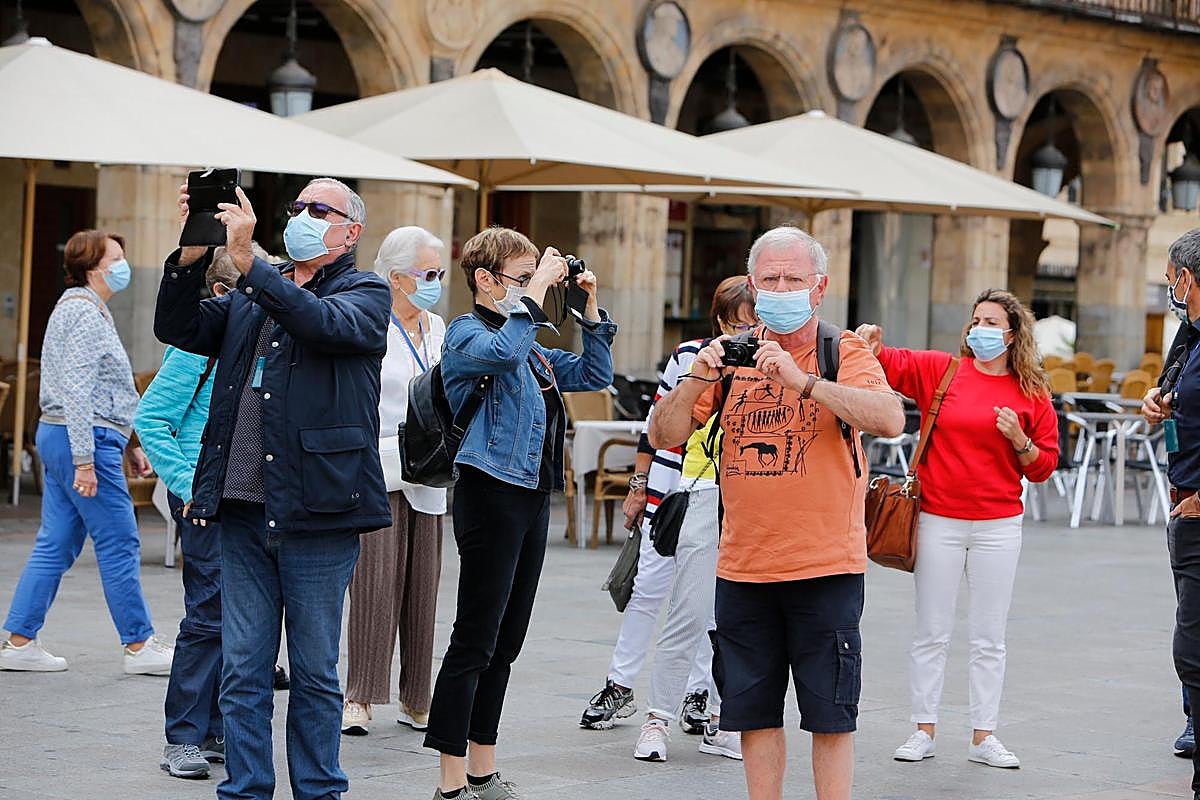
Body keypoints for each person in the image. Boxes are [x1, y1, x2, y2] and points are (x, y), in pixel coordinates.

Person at [155, 178, 391, 800]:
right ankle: (248, 789)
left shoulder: (363, 291)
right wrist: (194, 247)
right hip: (239, 511)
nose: (302, 218)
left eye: (319, 210)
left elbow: (321, 323)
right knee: (242, 669)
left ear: (351, 231)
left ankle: (319, 790)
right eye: (297, 208)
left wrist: (251, 263)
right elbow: (177, 324)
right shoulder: (255, 288)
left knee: (314, 672)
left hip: (318, 511)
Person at [649, 226, 904, 800]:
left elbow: (889, 418)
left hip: (826, 566)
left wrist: (804, 381)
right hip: (743, 567)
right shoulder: (729, 358)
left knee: (830, 713)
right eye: (770, 279)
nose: (781, 288)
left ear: (819, 288)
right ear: (754, 285)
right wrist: (699, 378)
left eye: (794, 279)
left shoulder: (844, 351)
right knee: (752, 714)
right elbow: (665, 432)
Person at [425, 227, 616, 800]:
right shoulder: (466, 334)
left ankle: (483, 765)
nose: (535, 284)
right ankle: (451, 782)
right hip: (489, 492)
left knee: (507, 640)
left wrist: (589, 305)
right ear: (485, 280)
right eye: (520, 275)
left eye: (537, 273)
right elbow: (500, 354)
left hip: (532, 497)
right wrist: (534, 292)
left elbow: (593, 375)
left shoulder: (532, 345)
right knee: (475, 638)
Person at [856, 288, 1059, 770]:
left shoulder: (1031, 393)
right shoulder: (942, 370)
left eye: (991, 323)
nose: (980, 331)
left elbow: (1043, 467)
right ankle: (923, 728)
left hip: (998, 525)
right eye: (976, 321)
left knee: (990, 636)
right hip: (937, 520)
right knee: (932, 630)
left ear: (1012, 335)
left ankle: (983, 735)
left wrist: (1019, 439)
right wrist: (870, 342)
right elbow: (888, 360)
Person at [0, 229, 172, 676]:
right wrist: (85, 460)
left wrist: (130, 443)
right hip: (84, 440)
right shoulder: (82, 313)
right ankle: (138, 644)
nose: (123, 264)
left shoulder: (82, 309)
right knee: (119, 540)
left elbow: (100, 389)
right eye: (116, 256)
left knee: (56, 542)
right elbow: (78, 389)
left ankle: (19, 640)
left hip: (72, 436)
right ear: (94, 265)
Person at [135, 245, 264, 779]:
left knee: (237, 621)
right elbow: (153, 417)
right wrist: (192, 489)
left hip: (244, 500)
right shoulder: (198, 346)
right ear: (220, 294)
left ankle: (212, 728)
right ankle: (183, 736)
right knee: (208, 618)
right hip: (207, 501)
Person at [632, 276, 757, 764]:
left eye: (757, 324)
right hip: (707, 492)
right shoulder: (704, 362)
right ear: (723, 325)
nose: (750, 335)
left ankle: (725, 721)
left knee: (741, 623)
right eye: (740, 326)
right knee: (687, 611)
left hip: (762, 502)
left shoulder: (782, 360)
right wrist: (705, 372)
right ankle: (657, 718)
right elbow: (662, 430)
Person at [342, 226, 448, 736]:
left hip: (428, 469)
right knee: (374, 584)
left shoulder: (440, 326)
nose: (435, 283)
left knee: (423, 585)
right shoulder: (370, 323)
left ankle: (417, 696)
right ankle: (360, 695)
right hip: (378, 464)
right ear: (395, 277)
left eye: (439, 273)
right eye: (427, 274)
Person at [1143, 227, 1200, 800]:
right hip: (1182, 497)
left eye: (1172, 280)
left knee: (1194, 638)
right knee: (1191, 622)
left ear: (1187, 278)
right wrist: (1158, 401)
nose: (1169, 290)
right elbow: (1170, 389)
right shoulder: (1190, 335)